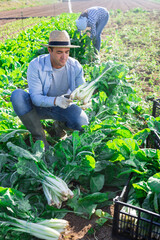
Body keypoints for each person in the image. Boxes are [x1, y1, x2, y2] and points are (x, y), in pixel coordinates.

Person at [11, 30, 89, 150]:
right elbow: (36, 98)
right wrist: (56, 100)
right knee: (17, 96)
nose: (64, 57)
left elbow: (81, 88)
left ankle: (59, 126)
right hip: (38, 107)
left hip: (63, 106)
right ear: (49, 50)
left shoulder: (75, 66)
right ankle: (40, 137)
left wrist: (86, 98)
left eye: (67, 52)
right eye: (59, 52)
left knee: (82, 121)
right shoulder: (36, 65)